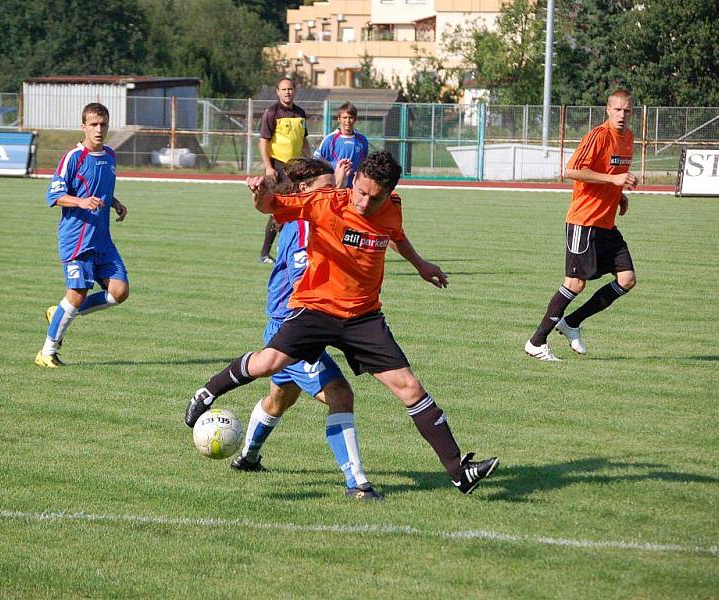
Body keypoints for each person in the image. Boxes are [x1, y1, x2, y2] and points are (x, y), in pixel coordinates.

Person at [185, 151, 499, 495]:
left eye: (373, 197)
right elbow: (273, 206)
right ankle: (208, 391)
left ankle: (459, 471)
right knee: (268, 364)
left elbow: (396, 234)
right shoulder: (326, 202)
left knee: (410, 388)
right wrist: (260, 194)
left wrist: (420, 264)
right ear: (354, 182)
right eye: (360, 192)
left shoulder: (392, 207)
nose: (364, 202)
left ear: (388, 192)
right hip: (316, 309)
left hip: (364, 317)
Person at [229, 157, 381, 500]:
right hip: (293, 328)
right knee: (341, 394)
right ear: (305, 192)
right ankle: (357, 484)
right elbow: (303, 280)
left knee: (279, 399)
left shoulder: (311, 217)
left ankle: (247, 457)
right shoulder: (303, 225)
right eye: (326, 189)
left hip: (290, 327)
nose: (333, 195)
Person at [525, 89, 637, 361]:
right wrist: (613, 182)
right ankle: (536, 342)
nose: (622, 115)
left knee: (627, 279)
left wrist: (618, 195)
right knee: (575, 283)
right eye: (617, 109)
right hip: (583, 222)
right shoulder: (598, 136)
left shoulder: (629, 138)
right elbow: (571, 170)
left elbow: (612, 175)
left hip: (606, 224)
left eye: (627, 111)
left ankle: (571, 322)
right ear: (608, 110)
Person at [35, 102, 129, 368]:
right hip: (77, 239)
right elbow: (53, 196)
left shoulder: (110, 155)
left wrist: (115, 203)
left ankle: (60, 313)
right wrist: (80, 202)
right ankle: (47, 352)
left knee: (119, 292)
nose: (99, 130)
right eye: (93, 125)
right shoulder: (73, 158)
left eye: (103, 125)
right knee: (77, 292)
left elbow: (102, 189)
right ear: (83, 126)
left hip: (102, 239)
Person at [257, 77, 310, 264]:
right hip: (278, 168)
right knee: (278, 210)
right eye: (284, 89)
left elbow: (303, 141)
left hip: (296, 169)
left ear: (294, 91)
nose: (288, 92)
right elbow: (263, 141)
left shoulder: (301, 113)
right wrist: (269, 167)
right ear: (278, 91)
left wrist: (309, 163)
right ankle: (265, 253)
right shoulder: (271, 113)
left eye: (290, 89)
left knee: (296, 209)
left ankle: (291, 248)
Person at [313, 102, 368, 188]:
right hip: (335, 186)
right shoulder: (330, 139)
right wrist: (334, 166)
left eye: (350, 118)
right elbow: (317, 158)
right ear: (339, 119)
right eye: (344, 117)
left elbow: (364, 161)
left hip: (355, 186)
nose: (347, 121)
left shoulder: (362, 140)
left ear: (355, 119)